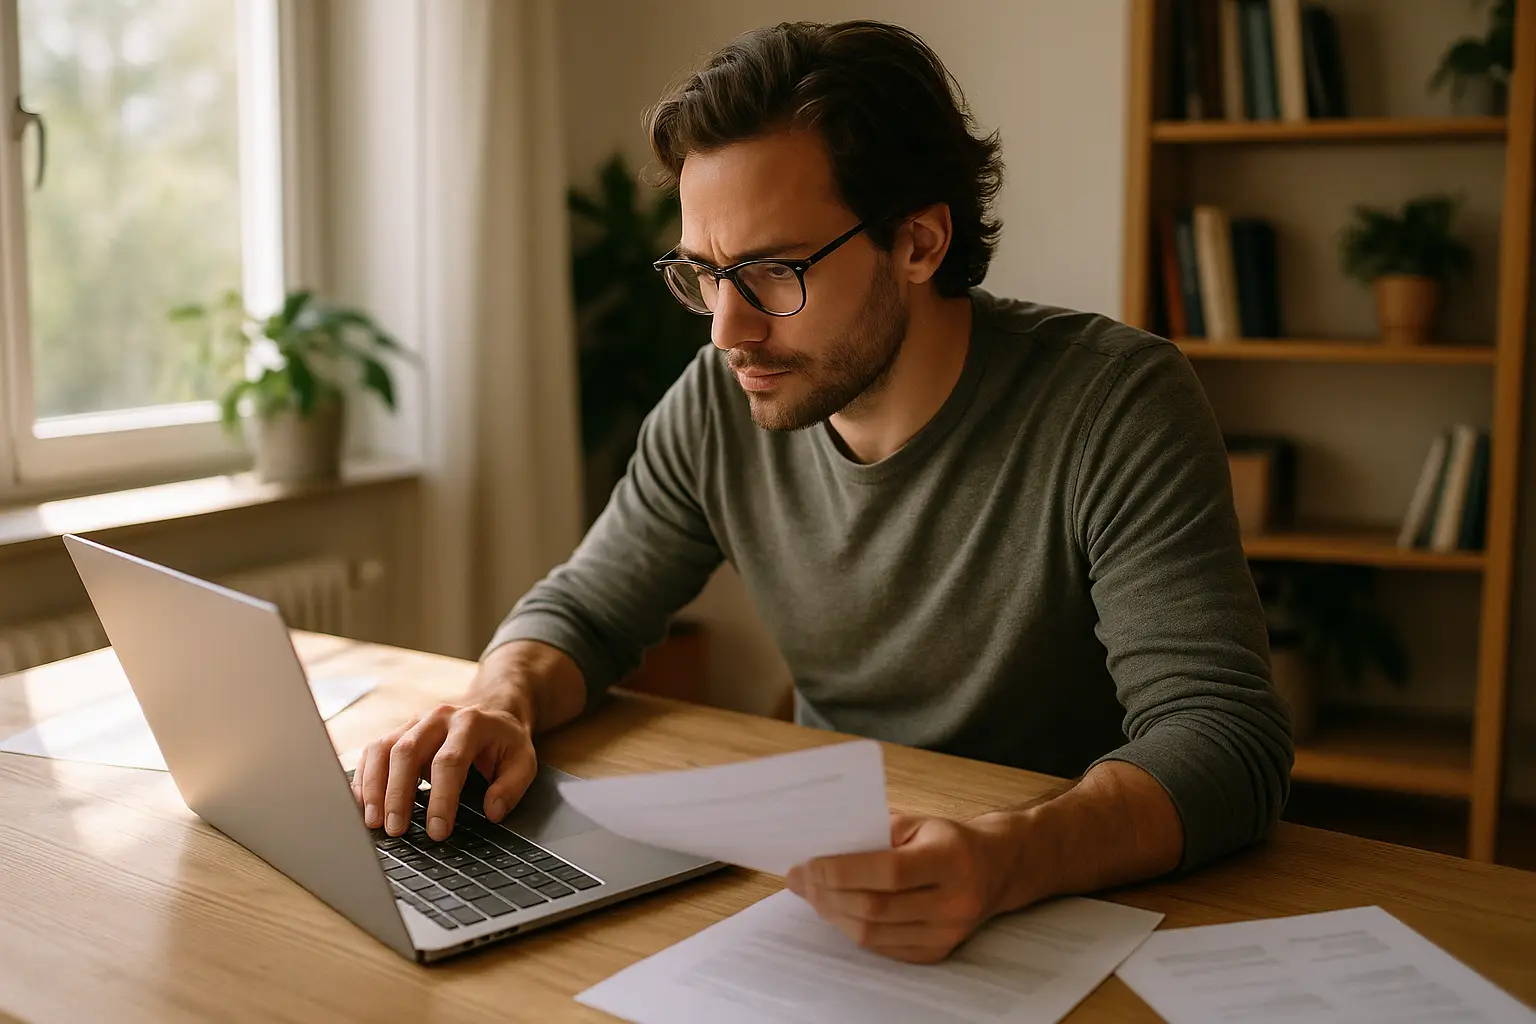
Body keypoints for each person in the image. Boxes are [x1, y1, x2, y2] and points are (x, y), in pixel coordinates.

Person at [354, 19, 1292, 964]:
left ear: (919, 243)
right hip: (832, 892)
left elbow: (1222, 736)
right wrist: (497, 703)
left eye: (771, 271)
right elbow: (587, 608)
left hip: (1074, 905)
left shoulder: (1115, 405)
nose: (727, 331)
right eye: (705, 274)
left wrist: (1009, 856)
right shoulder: (722, 402)